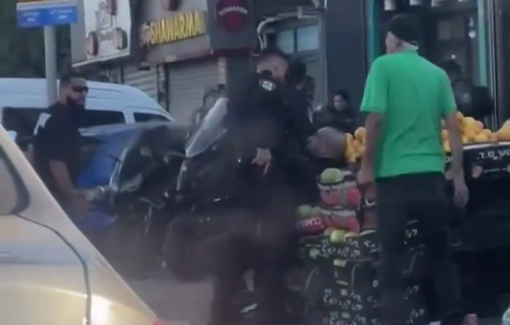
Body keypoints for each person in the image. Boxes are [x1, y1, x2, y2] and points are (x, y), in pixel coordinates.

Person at [358, 14, 472, 325]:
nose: (385, 43)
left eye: (386, 39)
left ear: (395, 39)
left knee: (391, 259)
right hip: (431, 177)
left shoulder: (383, 66)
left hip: (393, 179)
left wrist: (366, 166)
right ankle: (453, 317)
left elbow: (376, 120)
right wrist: (458, 173)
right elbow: (453, 126)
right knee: (440, 254)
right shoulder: (436, 74)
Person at [210, 47, 298, 325]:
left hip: (235, 187)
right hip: (267, 188)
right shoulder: (274, 91)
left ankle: (223, 316)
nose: (285, 77)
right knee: (273, 258)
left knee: (231, 259)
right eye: (283, 71)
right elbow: (289, 130)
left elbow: (223, 130)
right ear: (271, 69)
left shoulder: (235, 92)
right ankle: (272, 317)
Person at [33, 72, 91, 216]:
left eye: (85, 90)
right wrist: (71, 198)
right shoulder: (60, 120)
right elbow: (57, 163)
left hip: (43, 195)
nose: (82, 94)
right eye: (77, 89)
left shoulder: (48, 114)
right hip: (57, 198)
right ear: (64, 89)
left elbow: (31, 150)